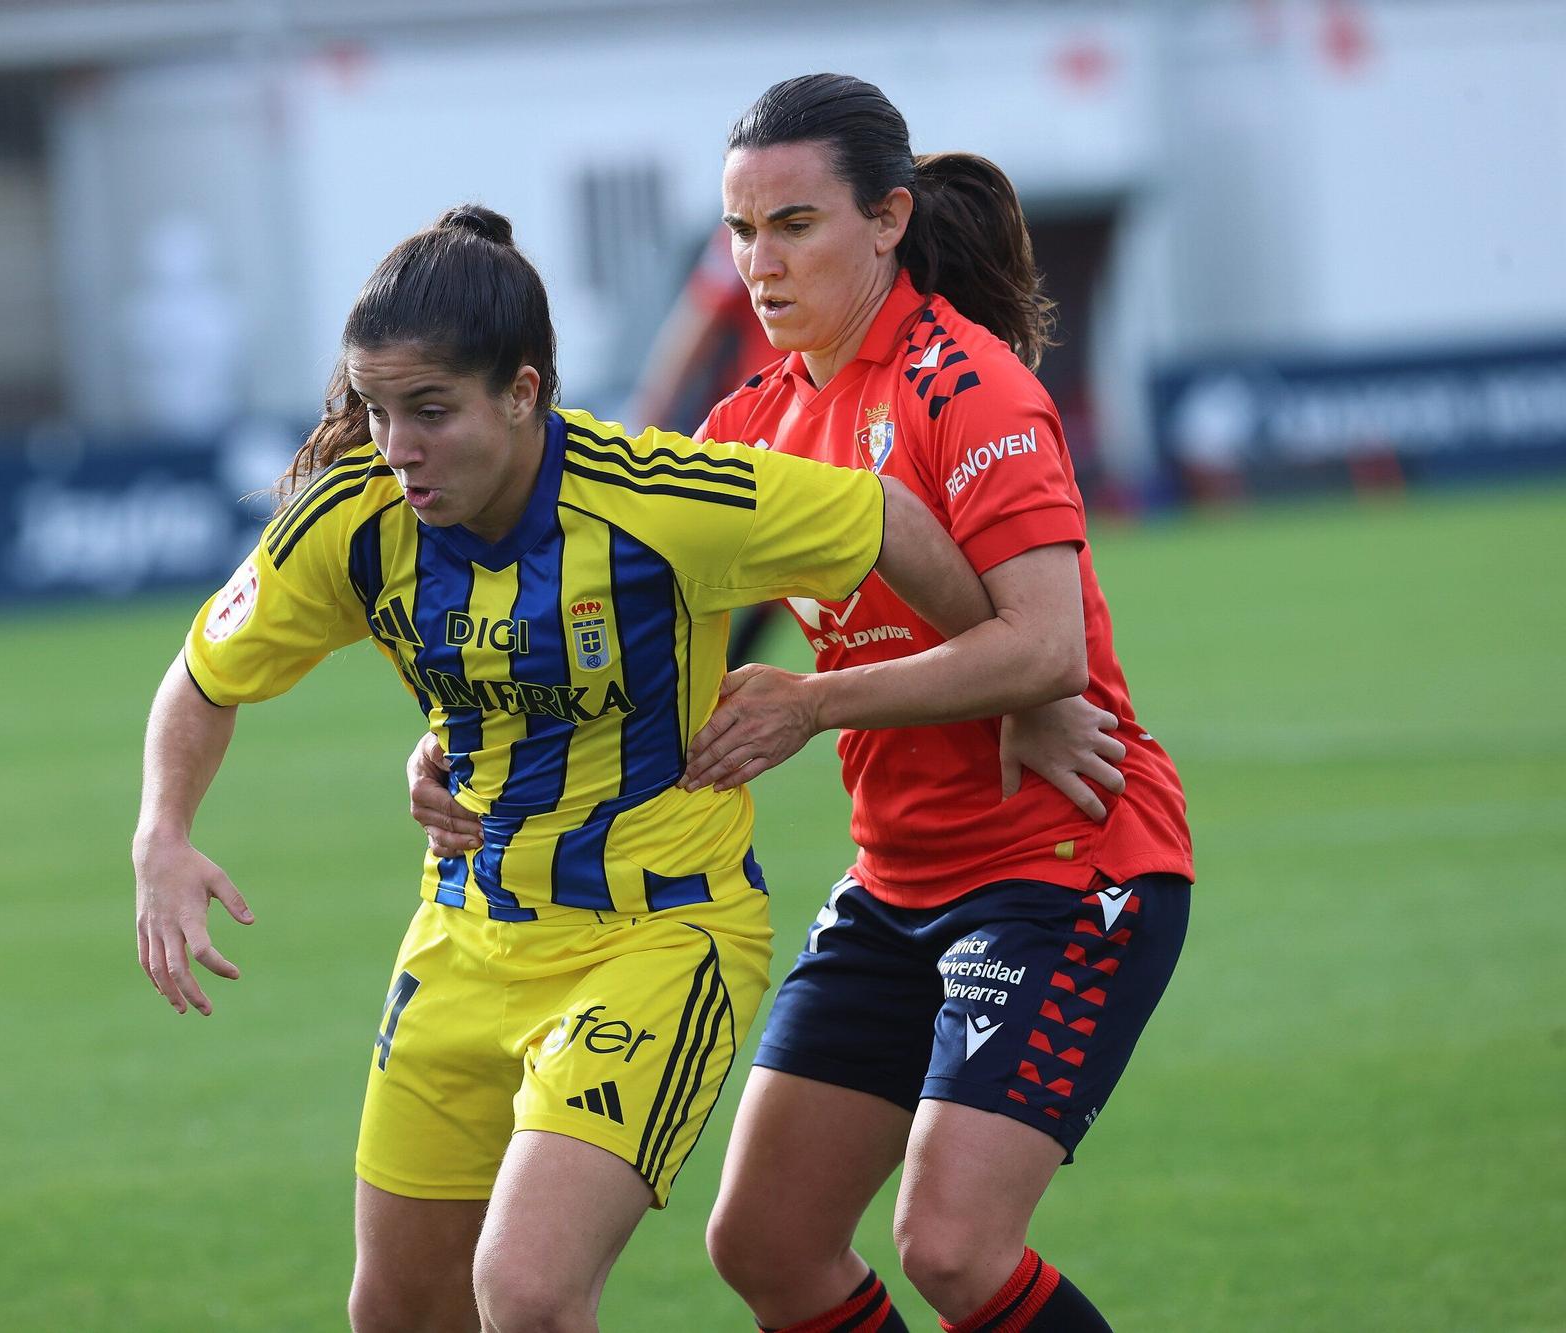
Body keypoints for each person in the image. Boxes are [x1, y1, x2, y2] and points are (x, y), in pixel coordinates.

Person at [130, 204, 1065, 1333]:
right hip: (464, 940)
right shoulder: (354, 521)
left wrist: (1014, 685)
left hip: (657, 938)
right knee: (396, 1315)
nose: (396, 448)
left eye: (430, 412)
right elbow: (204, 674)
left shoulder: (660, 499)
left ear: (523, 393)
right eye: (376, 412)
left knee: (523, 1292)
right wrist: (162, 836)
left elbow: (884, 518)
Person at [409, 76, 1193, 1333]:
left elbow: (1044, 650)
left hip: (1064, 862)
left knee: (951, 1244)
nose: (757, 265)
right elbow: (640, 650)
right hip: (897, 882)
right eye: (737, 233)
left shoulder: (967, 389)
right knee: (766, 1242)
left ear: (886, 221)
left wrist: (817, 702)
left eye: (793, 226)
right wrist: (464, 733)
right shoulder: (749, 426)